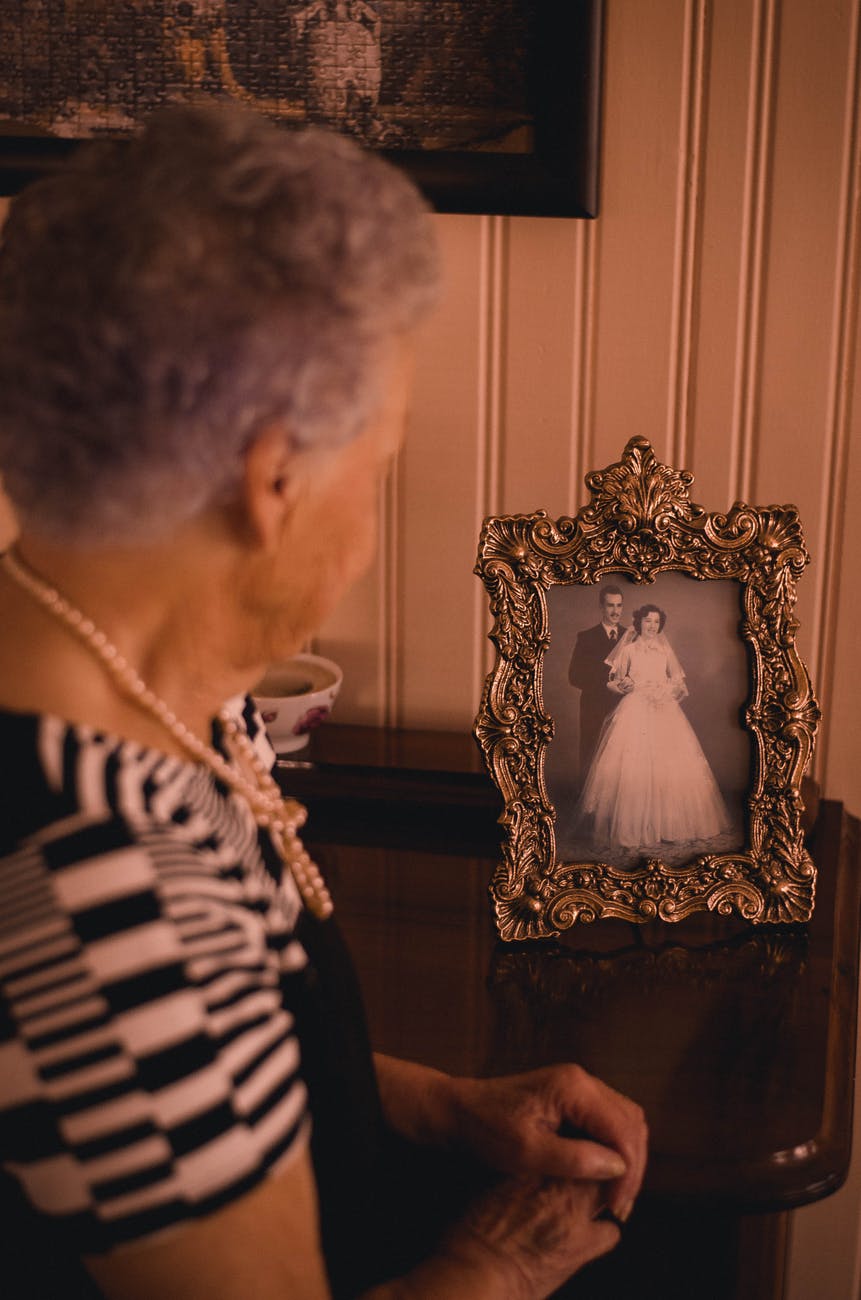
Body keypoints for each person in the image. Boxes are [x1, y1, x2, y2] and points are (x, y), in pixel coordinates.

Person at [0, 103, 647, 1299]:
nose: (375, 513)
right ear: (275, 478)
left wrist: (441, 1104)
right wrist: (493, 1264)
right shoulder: (117, 893)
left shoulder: (154, 682)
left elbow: (190, 1070)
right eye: (381, 462)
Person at [575, 603, 734, 857]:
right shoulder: (628, 650)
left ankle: (670, 828)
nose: (652, 626)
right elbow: (613, 682)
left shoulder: (664, 651)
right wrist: (625, 685)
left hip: (663, 709)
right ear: (638, 623)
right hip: (635, 709)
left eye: (657, 622)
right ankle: (633, 829)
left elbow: (679, 685)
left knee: (668, 766)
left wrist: (667, 691)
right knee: (635, 765)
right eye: (648, 621)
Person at [568, 584, 632, 782]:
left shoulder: (631, 637)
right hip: (593, 707)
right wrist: (605, 684)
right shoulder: (586, 637)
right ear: (601, 607)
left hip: (623, 707)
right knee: (591, 756)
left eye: (619, 605)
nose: (615, 611)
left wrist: (630, 681)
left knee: (621, 759)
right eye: (610, 605)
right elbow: (575, 675)